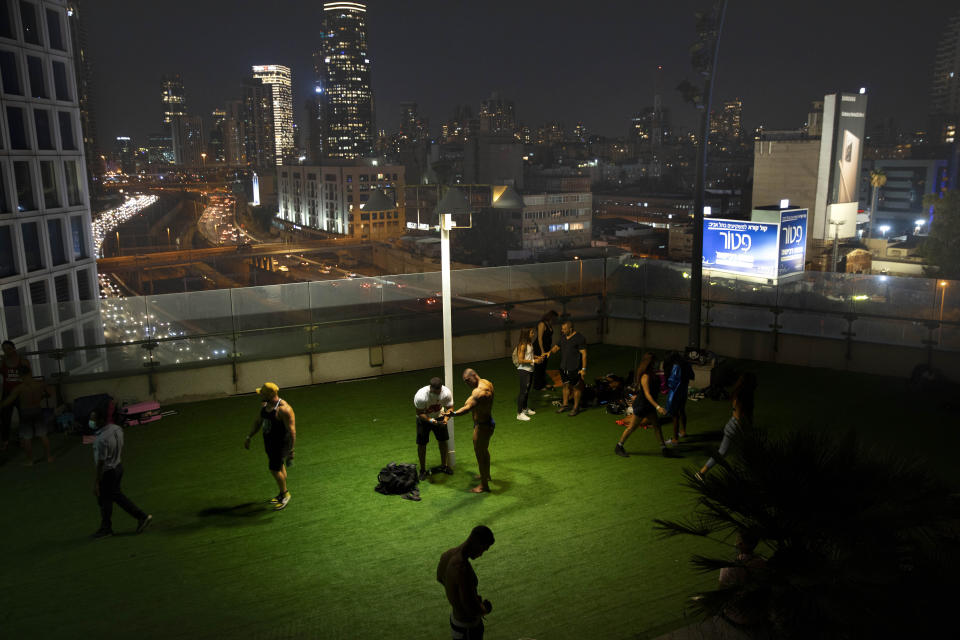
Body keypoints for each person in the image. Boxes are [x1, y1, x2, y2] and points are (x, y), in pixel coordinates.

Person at [90, 400, 152, 538]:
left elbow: (101, 462)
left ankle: (141, 517)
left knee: (113, 497)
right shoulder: (116, 429)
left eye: (93, 419)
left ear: (100, 419)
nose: (91, 421)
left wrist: (96, 482)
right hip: (118, 466)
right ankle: (106, 527)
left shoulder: (101, 440)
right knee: (108, 499)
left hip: (108, 472)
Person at [436, 525, 495, 640]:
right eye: (483, 549)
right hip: (468, 630)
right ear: (477, 544)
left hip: (456, 620)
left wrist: (455, 597)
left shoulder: (447, 555)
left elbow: (439, 578)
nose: (481, 554)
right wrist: (485, 608)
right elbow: (470, 608)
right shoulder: (462, 569)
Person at [244, 382, 296, 510]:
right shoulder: (265, 405)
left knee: (274, 469)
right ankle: (281, 493)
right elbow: (258, 421)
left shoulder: (284, 409)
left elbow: (292, 431)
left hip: (280, 445)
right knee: (279, 467)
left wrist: (291, 450)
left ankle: (285, 494)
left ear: (269, 395)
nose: (260, 395)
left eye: (262, 393)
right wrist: (249, 436)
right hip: (269, 443)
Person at [442, 369, 495, 493]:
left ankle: (484, 486)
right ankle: (486, 475)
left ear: (474, 376)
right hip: (488, 422)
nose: (467, 384)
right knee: (484, 450)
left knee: (479, 454)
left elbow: (467, 408)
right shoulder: (487, 383)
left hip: (482, 427)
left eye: (467, 381)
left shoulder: (479, 392)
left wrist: (452, 414)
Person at [697, 373, 757, 479]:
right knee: (738, 452)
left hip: (733, 426)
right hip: (736, 427)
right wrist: (745, 432)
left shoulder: (741, 394)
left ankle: (701, 473)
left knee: (722, 452)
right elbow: (739, 416)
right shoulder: (742, 396)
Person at [615, 352, 668, 457]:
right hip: (642, 405)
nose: (656, 364)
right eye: (654, 362)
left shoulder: (652, 374)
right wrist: (658, 407)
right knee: (632, 427)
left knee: (657, 426)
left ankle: (664, 449)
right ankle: (619, 446)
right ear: (650, 363)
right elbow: (647, 394)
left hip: (648, 405)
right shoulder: (645, 376)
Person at [718, 529, 768, 627]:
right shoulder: (763, 562)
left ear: (740, 543)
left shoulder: (728, 568)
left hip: (739, 616)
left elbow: (720, 594)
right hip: (761, 612)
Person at [0, 375, 55, 465]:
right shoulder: (39, 384)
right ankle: (48, 457)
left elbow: (10, 400)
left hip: (27, 412)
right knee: (42, 435)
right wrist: (42, 396)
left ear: (22, 377)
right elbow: (50, 393)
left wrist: (2, 405)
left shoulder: (20, 388)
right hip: (36, 410)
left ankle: (31, 460)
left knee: (28, 438)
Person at [414, 376, 455, 480]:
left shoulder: (446, 393)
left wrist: (445, 419)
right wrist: (431, 421)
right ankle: (422, 470)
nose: (437, 394)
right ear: (430, 388)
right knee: (422, 444)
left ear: (441, 388)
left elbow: (450, 408)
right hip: (424, 419)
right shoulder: (421, 396)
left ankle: (444, 466)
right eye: (435, 392)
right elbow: (419, 413)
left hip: (439, 416)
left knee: (443, 441)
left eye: (439, 391)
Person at [549, 320, 588, 417]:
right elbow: (556, 348)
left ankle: (575, 408)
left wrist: (583, 369)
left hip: (574, 368)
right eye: (562, 329)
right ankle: (565, 405)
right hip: (563, 367)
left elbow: (584, 354)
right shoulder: (563, 337)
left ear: (570, 329)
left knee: (576, 388)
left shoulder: (579, 338)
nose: (562, 331)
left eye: (564, 329)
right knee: (565, 385)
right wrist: (548, 353)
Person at [1, 340, 31, 451]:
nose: (6, 352)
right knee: (5, 418)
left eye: (8, 349)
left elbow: (29, 379)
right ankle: (5, 441)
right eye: (4, 350)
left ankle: (23, 439)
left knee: (23, 417)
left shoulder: (23, 362)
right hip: (7, 394)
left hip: (20, 393)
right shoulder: (2, 362)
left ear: (14, 348)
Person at [662, 351, 695, 445]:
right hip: (683, 391)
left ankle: (675, 439)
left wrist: (666, 385)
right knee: (682, 411)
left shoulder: (676, 367)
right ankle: (683, 431)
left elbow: (672, 381)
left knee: (675, 415)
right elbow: (692, 376)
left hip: (675, 393)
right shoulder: (686, 364)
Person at [513, 328, 543, 422]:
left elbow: (528, 356)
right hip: (524, 371)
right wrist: (534, 361)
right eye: (531, 332)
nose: (533, 334)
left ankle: (525, 409)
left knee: (527, 391)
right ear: (526, 334)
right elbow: (521, 360)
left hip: (530, 370)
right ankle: (519, 413)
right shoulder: (522, 345)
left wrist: (536, 357)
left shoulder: (529, 343)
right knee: (523, 392)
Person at [532, 310, 558, 391]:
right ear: (551, 317)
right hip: (539, 348)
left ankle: (543, 383)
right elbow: (539, 339)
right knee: (539, 367)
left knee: (543, 367)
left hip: (546, 348)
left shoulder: (549, 325)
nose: (555, 320)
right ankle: (537, 386)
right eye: (555, 318)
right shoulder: (542, 324)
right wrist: (542, 351)